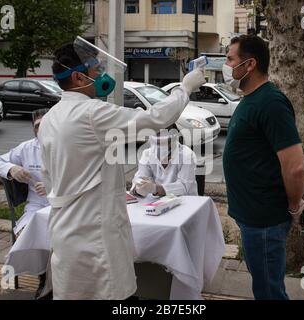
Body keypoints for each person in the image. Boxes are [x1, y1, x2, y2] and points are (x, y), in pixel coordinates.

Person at [37, 37, 205, 300]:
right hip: (95, 236)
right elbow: (154, 119)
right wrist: (184, 88)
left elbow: (48, 179)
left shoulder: (50, 118)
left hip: (64, 231)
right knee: (114, 296)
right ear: (80, 78)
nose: (101, 74)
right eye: (96, 69)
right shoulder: (91, 113)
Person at [222, 35, 304, 300]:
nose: (225, 65)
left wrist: (294, 206)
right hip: (252, 219)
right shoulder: (250, 99)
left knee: (269, 292)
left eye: (230, 59)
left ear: (249, 65)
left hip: (265, 222)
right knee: (264, 286)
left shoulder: (270, 103)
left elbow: (294, 167)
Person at [0, 108, 50, 299]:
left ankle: (64, 278)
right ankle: (44, 278)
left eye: (46, 124)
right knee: (31, 232)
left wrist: (54, 187)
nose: (42, 129)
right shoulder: (26, 148)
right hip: (37, 206)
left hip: (66, 206)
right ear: (33, 128)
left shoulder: (69, 147)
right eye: (38, 125)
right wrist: (12, 168)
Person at [131, 125, 198, 197]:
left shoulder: (187, 155)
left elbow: (184, 187)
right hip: (156, 202)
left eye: (165, 143)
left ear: (173, 140)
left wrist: (155, 188)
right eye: (158, 143)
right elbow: (141, 177)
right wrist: (138, 187)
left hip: (185, 201)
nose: (161, 146)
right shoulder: (147, 154)